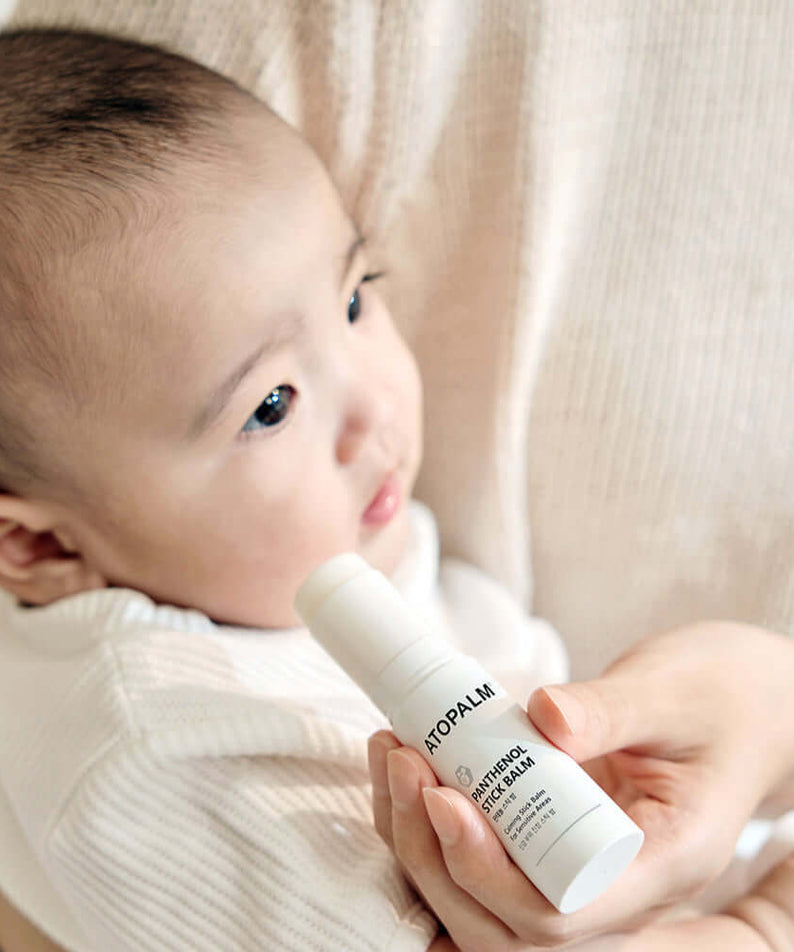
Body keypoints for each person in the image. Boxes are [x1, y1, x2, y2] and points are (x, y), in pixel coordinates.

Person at [2, 13, 794, 952]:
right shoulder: (155, 754)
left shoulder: (308, 552)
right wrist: (761, 923)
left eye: (353, 297)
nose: (376, 407)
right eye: (270, 405)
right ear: (42, 545)